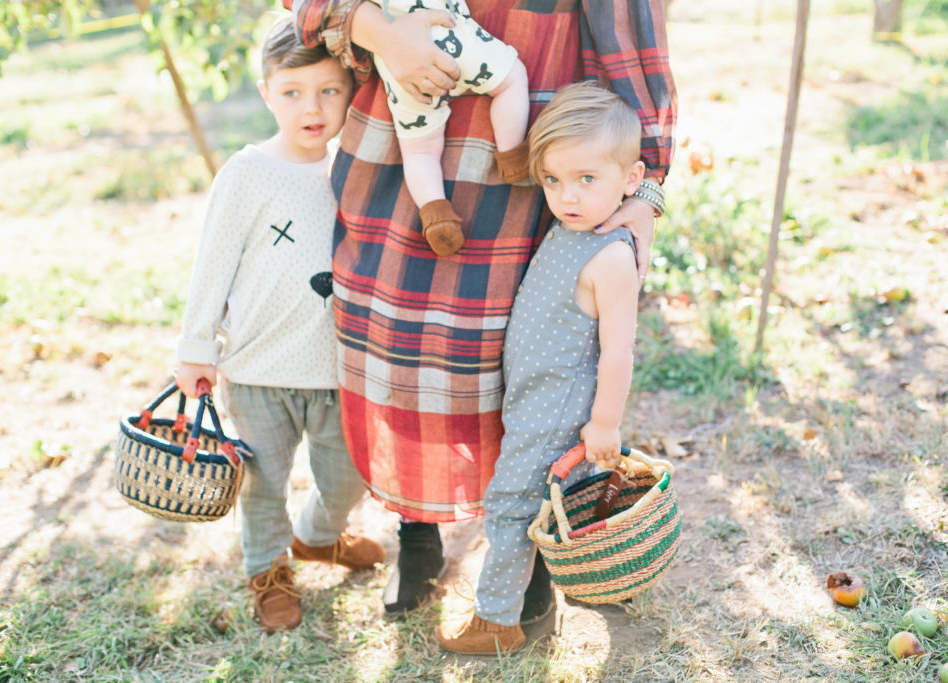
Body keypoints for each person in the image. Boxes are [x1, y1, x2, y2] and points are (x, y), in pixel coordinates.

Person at [284, 0, 675, 618]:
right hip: (401, 126)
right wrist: (382, 33)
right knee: (401, 343)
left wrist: (648, 182)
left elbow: (631, 32)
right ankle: (417, 531)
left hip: (527, 149)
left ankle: (532, 551)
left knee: (508, 357)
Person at [173, 15, 384, 634]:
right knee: (263, 482)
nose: (311, 108)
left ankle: (318, 535)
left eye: (328, 91)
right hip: (258, 368)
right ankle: (268, 573)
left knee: (348, 475)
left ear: (351, 92)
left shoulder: (354, 169)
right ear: (267, 94)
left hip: (334, 368)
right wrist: (195, 347)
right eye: (292, 93)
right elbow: (212, 265)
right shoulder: (248, 172)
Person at [437, 82, 645, 653]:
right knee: (548, 498)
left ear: (631, 180)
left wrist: (604, 423)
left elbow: (619, 351)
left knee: (511, 504)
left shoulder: (611, 254)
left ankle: (498, 619)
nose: (566, 196)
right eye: (552, 180)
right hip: (531, 394)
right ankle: (594, 575)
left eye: (586, 180)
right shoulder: (570, 227)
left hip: (557, 404)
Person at [367, 0, 530, 256]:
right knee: (512, 81)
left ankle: (436, 214)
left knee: (420, 150)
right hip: (449, 35)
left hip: (399, 65)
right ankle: (512, 157)